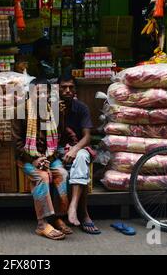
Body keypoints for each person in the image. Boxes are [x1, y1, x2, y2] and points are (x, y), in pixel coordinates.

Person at [12, 78, 72, 240]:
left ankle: (57, 217)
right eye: (38, 93)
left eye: (45, 93)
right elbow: (17, 144)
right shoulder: (20, 111)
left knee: (62, 174)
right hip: (27, 159)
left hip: (50, 156)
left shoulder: (56, 111)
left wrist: (48, 158)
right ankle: (42, 223)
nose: (42, 96)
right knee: (42, 177)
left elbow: (57, 139)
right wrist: (33, 160)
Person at [58, 73, 101, 235]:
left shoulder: (81, 107)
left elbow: (87, 136)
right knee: (70, 168)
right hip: (57, 150)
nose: (68, 91)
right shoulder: (50, 108)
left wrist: (75, 149)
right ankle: (83, 215)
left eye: (71, 87)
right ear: (58, 89)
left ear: (75, 90)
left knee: (82, 157)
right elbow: (49, 136)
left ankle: (74, 207)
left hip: (78, 148)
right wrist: (59, 115)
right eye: (64, 88)